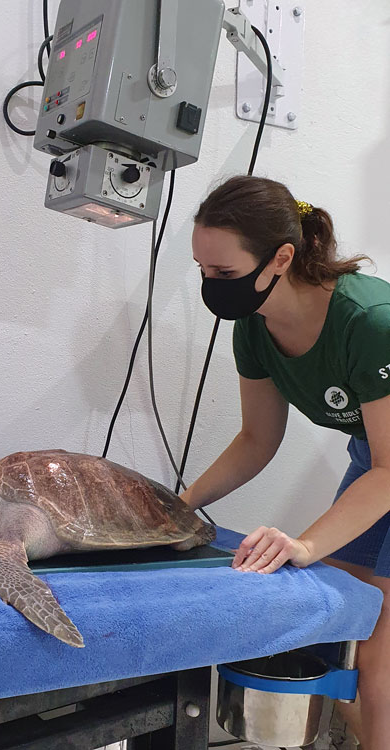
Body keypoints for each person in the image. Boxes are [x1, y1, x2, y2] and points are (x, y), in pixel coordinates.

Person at [181, 175, 390, 750]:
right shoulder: (254, 325)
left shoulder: (370, 323)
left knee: (375, 668)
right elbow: (256, 439)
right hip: (376, 460)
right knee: (337, 637)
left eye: (224, 273)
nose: (211, 285)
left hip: (387, 467)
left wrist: (305, 545)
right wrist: (178, 505)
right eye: (202, 271)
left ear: (282, 258)